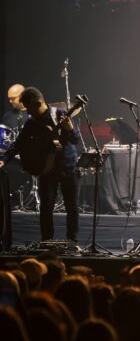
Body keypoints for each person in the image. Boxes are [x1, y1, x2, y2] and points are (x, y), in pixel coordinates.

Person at [0, 86, 80, 242]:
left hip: (67, 167)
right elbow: (19, 143)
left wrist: (70, 129)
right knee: (45, 208)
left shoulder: (60, 115)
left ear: (38, 103)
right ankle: (46, 241)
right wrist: (3, 159)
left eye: (29, 108)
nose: (27, 112)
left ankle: (72, 241)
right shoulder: (31, 122)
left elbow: (75, 140)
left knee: (72, 207)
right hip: (46, 168)